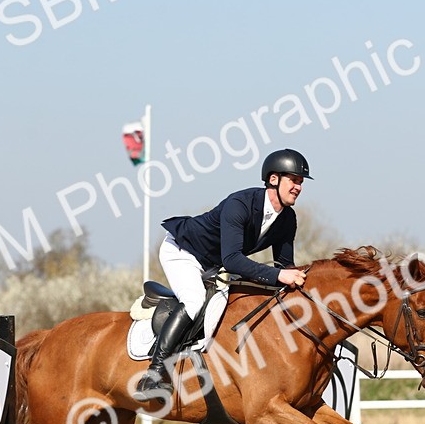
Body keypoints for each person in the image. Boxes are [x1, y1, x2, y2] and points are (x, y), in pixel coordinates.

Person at [133, 148, 312, 401]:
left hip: (213, 264)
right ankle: (154, 373)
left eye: (301, 182)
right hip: (183, 250)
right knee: (194, 301)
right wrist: (279, 276)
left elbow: (284, 265)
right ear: (274, 179)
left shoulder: (287, 219)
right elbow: (233, 260)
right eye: (294, 180)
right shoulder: (240, 205)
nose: (298, 187)